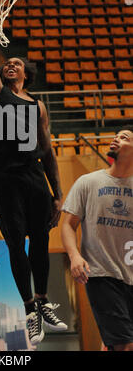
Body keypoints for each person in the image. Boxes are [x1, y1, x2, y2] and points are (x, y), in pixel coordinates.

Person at [0, 48, 67, 345]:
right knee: (16, 243)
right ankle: (29, 310)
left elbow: (48, 151)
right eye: (7, 63)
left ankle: (43, 301)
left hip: (34, 176)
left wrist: (58, 194)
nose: (11, 65)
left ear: (27, 74)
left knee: (41, 239)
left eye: (17, 64)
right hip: (3, 178)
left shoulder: (38, 106)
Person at [61, 126, 133, 351]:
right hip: (101, 273)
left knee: (114, 343)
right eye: (116, 136)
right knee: (124, 344)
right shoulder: (88, 182)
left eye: (124, 137)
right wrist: (74, 256)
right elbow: (67, 225)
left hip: (130, 274)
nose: (116, 139)